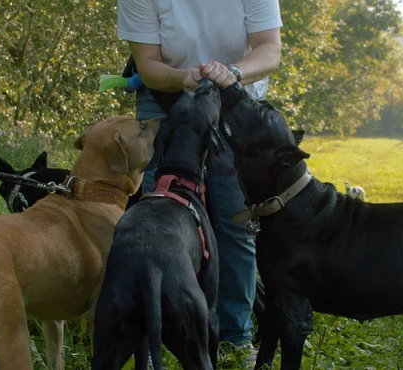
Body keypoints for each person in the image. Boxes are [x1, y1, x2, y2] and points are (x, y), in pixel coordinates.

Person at [117, 0, 282, 364]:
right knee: (158, 225)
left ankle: (236, 337)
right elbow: (148, 66)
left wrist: (233, 71)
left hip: (236, 97)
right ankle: (155, 332)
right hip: (164, 99)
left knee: (234, 221)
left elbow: (269, 51)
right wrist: (183, 77)